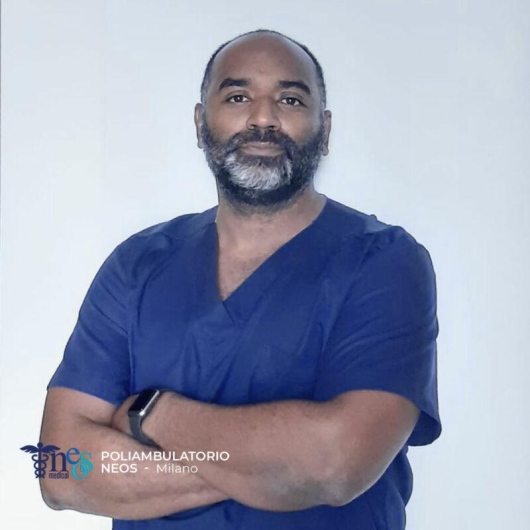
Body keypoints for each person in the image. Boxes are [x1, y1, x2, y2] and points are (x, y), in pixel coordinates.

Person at [40, 29, 441, 529]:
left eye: (290, 100)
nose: (263, 118)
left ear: (325, 129)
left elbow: (336, 466)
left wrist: (151, 414)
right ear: (200, 122)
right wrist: (273, 469)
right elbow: (59, 470)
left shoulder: (383, 263)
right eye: (237, 97)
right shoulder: (137, 265)